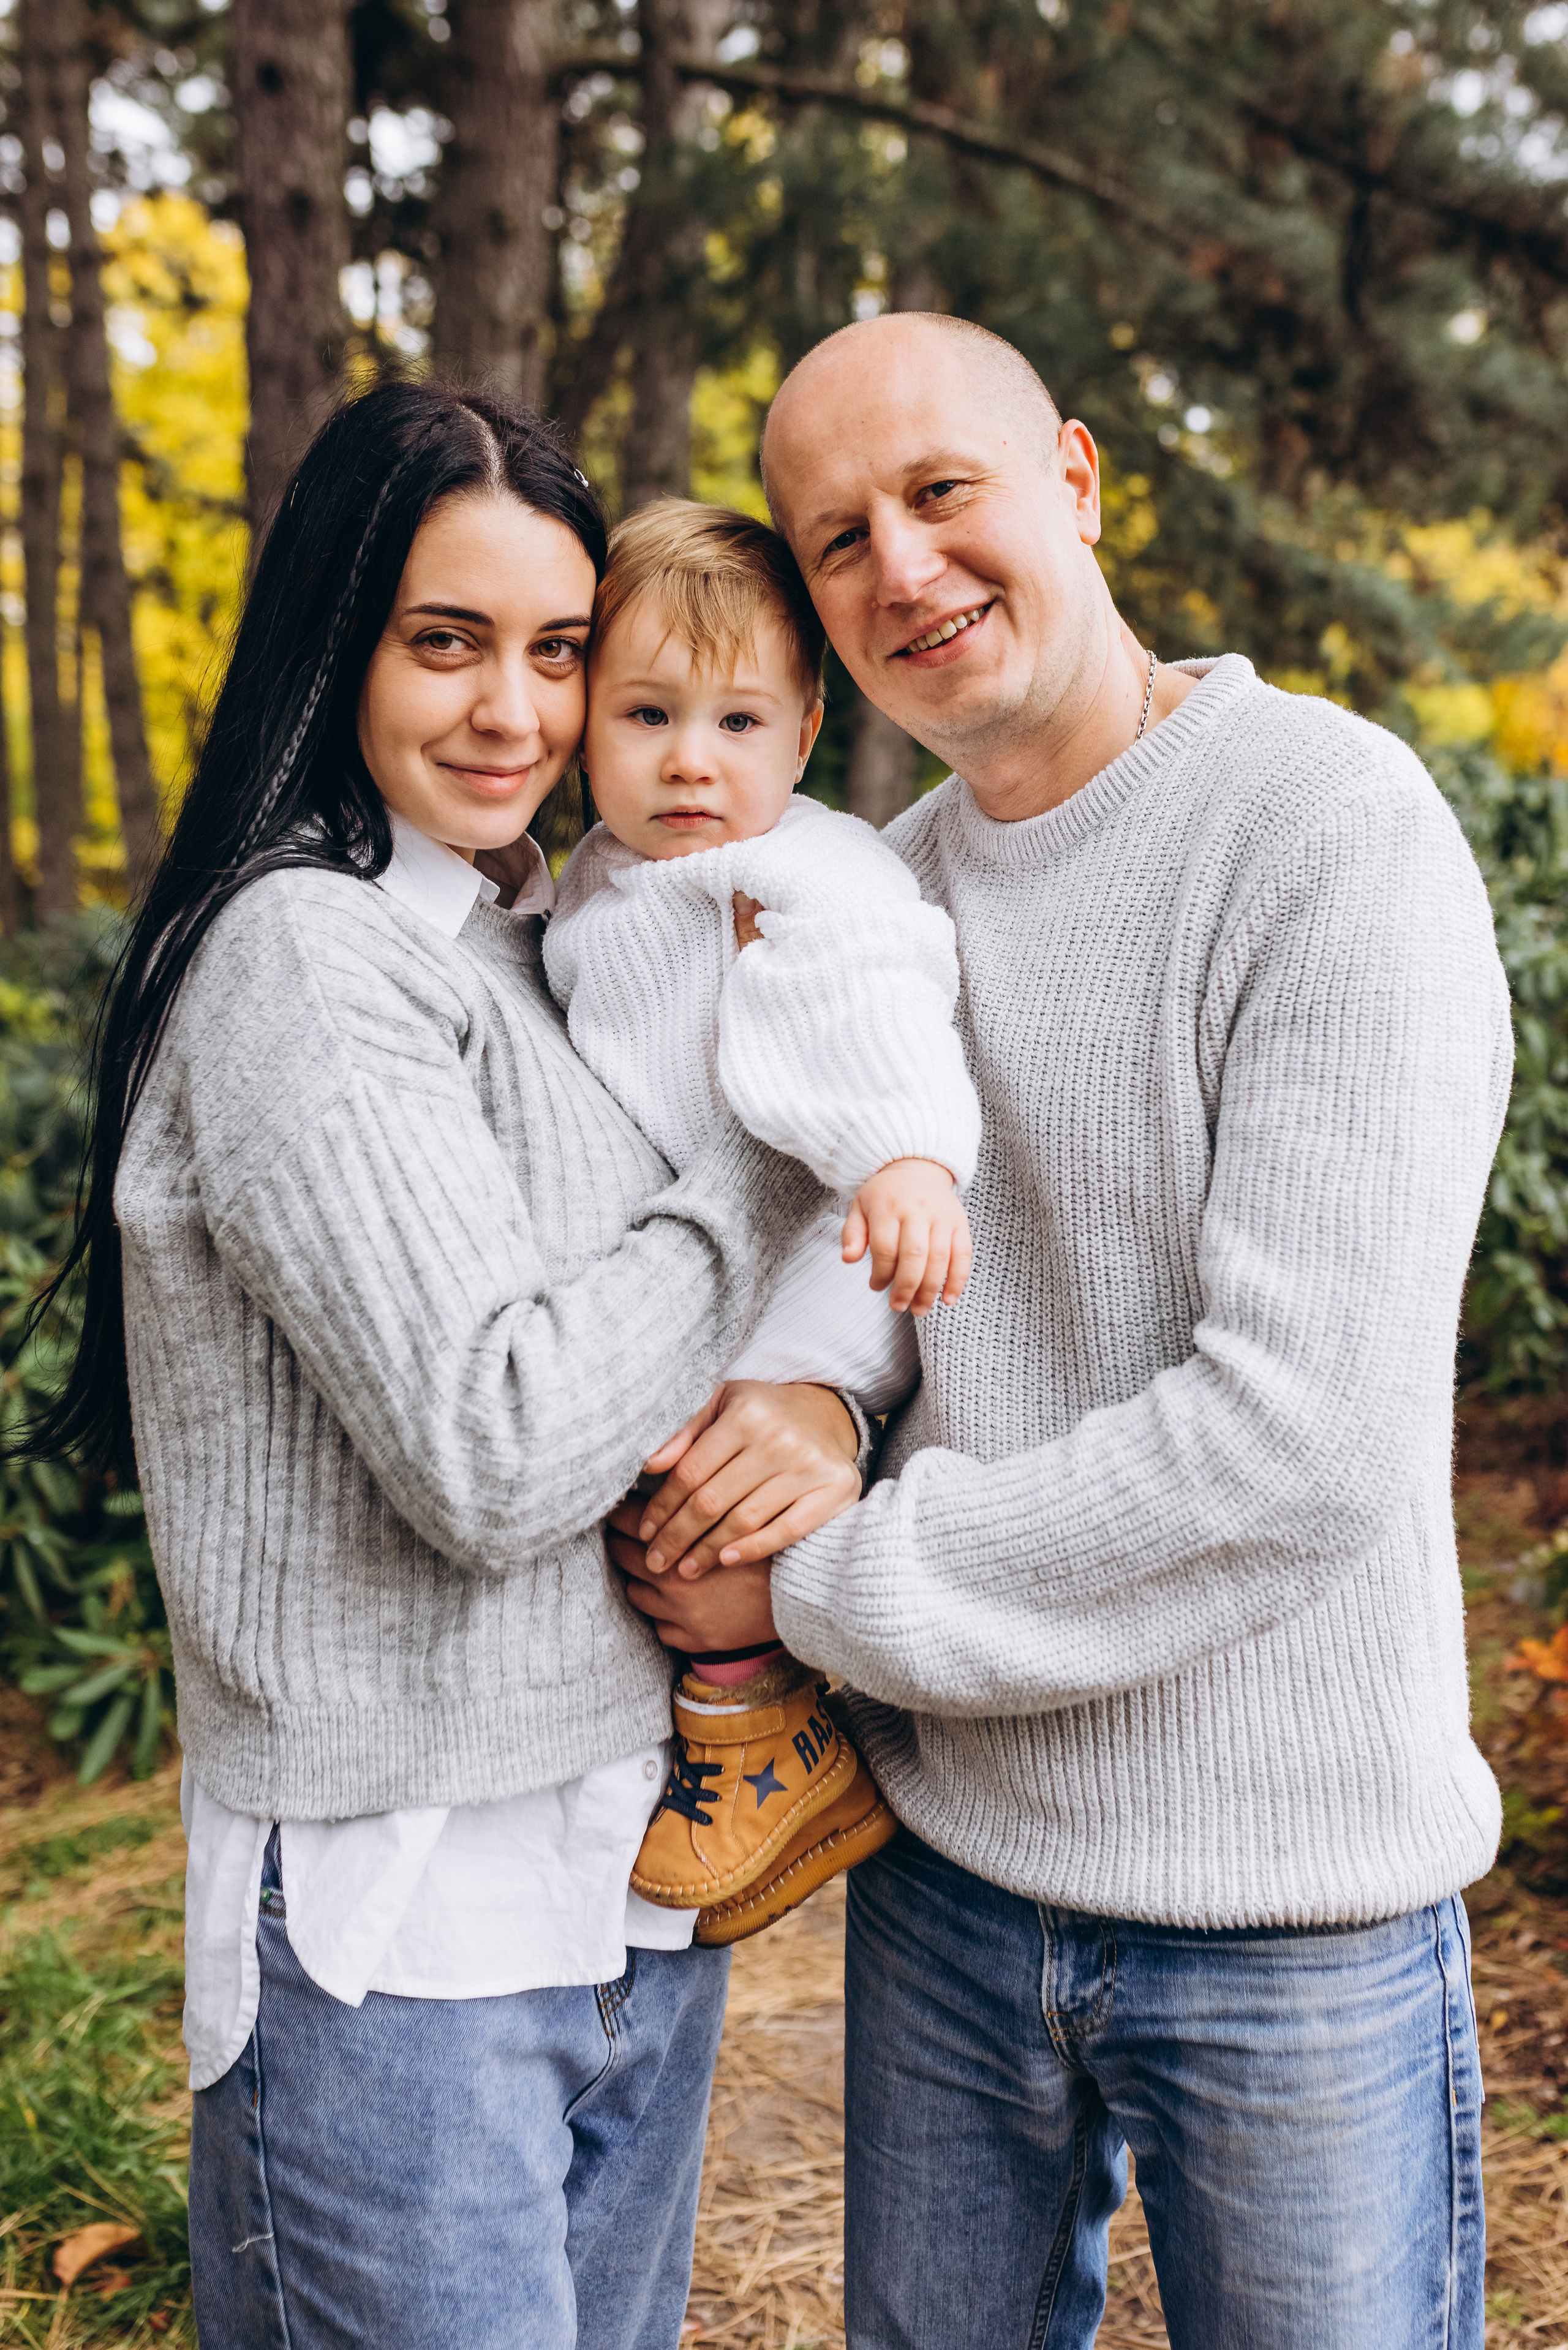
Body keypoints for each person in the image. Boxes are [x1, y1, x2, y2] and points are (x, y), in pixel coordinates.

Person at [616, 314, 1512, 2349]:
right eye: (838, 540)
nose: (901, 569)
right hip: (949, 1882)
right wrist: (809, 1403)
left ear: (1080, 482)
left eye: (941, 493)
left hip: (1296, 1909)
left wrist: (822, 1572)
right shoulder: (868, 902)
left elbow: (1295, 1440)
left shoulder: (1327, 832)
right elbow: (833, 1290)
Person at [26, 379, 869, 2350]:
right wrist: (767, 1137)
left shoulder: (531, 944)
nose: (513, 710)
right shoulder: (307, 961)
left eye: (559, 652)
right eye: (446, 641)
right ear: (340, 642)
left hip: (623, 1886)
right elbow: (494, 1443)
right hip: (400, 1930)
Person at [543, 497, 981, 1943]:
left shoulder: (799, 866)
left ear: (799, 739)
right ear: (582, 723)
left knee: (714, 1500)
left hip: (829, 1261)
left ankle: (770, 1748)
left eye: (736, 723)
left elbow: (869, 989)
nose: (687, 759)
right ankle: (737, 1725)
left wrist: (903, 1153)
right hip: (703, 1261)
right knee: (664, 1487)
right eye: (647, 714)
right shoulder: (594, 882)